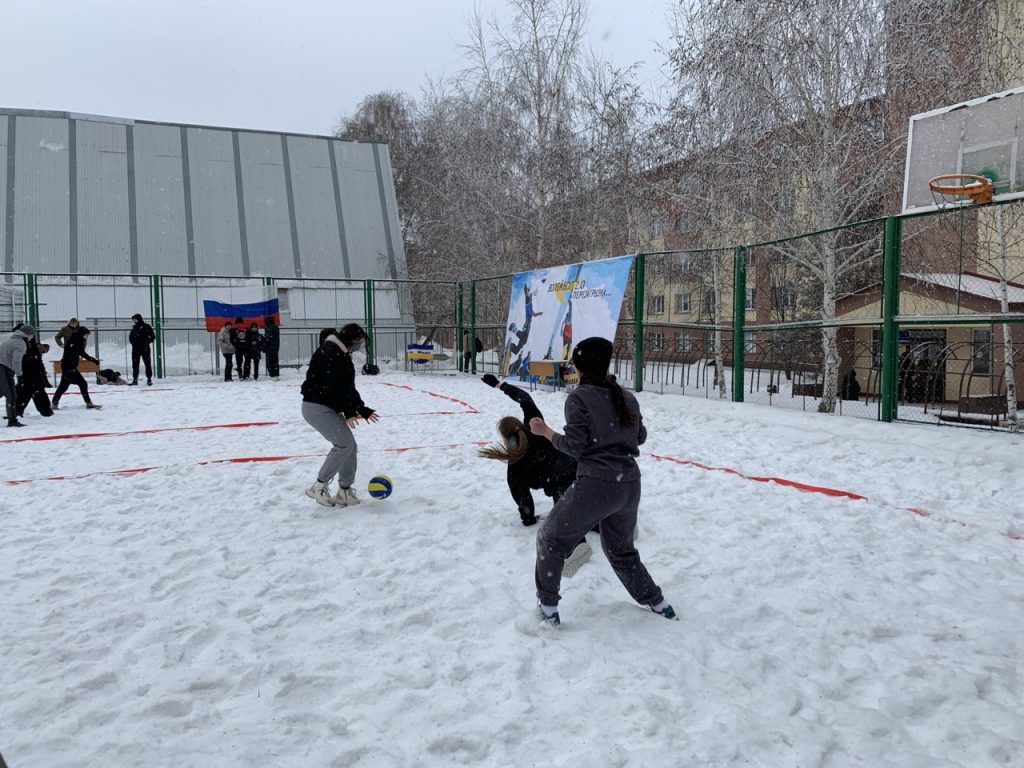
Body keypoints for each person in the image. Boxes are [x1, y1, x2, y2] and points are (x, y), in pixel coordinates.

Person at [528, 336, 675, 626]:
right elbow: (640, 437)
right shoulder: (626, 396)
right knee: (621, 551)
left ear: (578, 366)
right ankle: (658, 602)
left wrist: (545, 431)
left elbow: (575, 447)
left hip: (597, 484)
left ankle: (546, 610)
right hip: (629, 484)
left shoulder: (579, 398)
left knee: (551, 538)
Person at [479, 373, 594, 577]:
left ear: (506, 438)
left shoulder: (515, 463)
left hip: (559, 485)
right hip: (577, 470)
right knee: (582, 505)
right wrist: (499, 385)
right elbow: (525, 398)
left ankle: (578, 547)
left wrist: (528, 517)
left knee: (564, 518)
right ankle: (609, 525)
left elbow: (521, 495)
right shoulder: (534, 424)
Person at [300, 324, 379, 508]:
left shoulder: (340, 353)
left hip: (326, 406)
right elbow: (336, 386)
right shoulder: (331, 352)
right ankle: (318, 486)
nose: (360, 344)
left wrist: (362, 409)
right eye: (358, 340)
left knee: (350, 447)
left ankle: (344, 490)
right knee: (344, 444)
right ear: (350, 339)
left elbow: (348, 388)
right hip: (316, 407)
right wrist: (350, 412)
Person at [52, 326, 102, 410]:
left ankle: (54, 403)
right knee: (82, 383)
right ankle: (88, 403)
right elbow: (82, 353)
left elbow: (80, 352)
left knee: (63, 386)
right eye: (86, 335)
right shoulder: (75, 342)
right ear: (81, 334)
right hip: (69, 367)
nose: (86, 337)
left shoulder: (75, 340)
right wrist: (93, 360)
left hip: (68, 366)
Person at [14, 325, 54, 418]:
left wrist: (42, 372)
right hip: (26, 374)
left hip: (34, 374)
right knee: (24, 393)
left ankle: (46, 411)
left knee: (37, 393)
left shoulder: (33, 345)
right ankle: (15, 412)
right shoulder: (20, 344)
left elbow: (38, 360)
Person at [1, 324, 34, 427]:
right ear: (28, 334)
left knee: (2, 391)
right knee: (11, 395)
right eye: (32, 335)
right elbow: (16, 360)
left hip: (2, 368)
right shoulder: (20, 343)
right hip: (4, 369)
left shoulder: (10, 339)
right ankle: (12, 421)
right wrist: (19, 375)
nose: (32, 337)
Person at [128, 313, 156, 386]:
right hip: (135, 350)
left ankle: (149, 379)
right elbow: (130, 337)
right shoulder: (134, 328)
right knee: (135, 365)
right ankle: (135, 379)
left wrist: (147, 342)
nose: (134, 321)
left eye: (135, 319)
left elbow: (152, 336)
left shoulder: (146, 327)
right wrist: (133, 343)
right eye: (133, 320)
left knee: (147, 364)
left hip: (145, 349)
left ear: (139, 319)